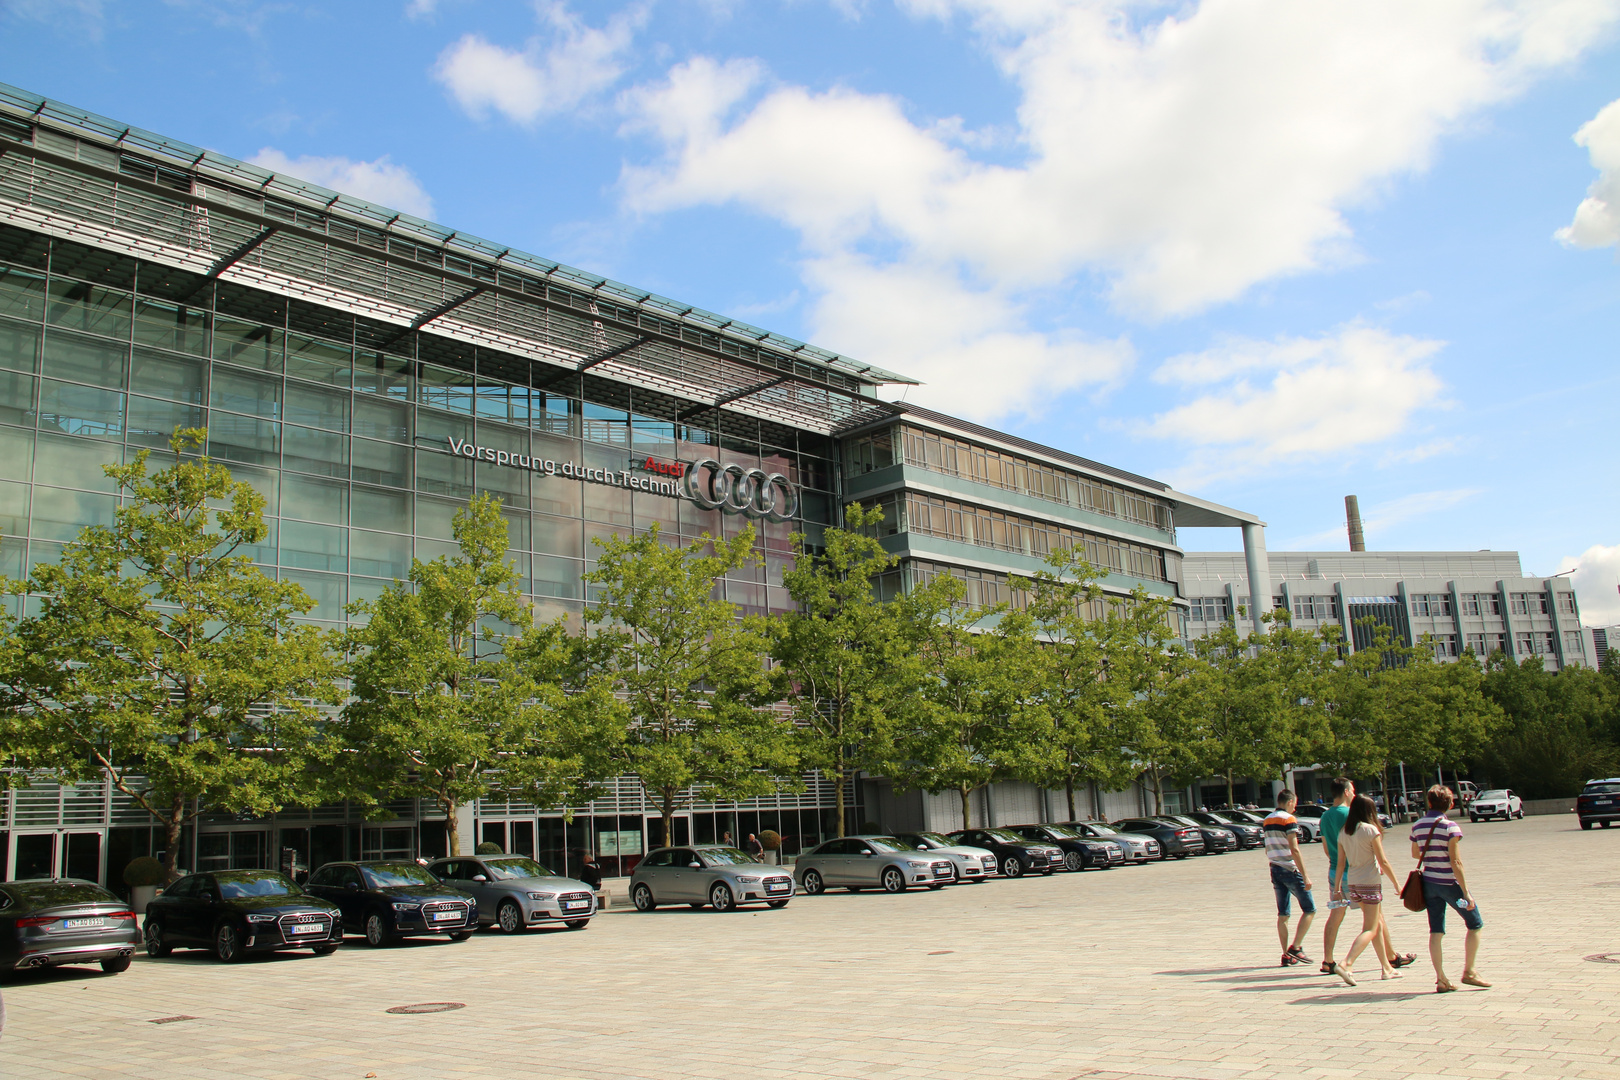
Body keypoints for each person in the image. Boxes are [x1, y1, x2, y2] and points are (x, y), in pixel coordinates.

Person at [1411, 785, 1488, 993]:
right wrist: (1466, 893)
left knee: (1436, 930)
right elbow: (1456, 861)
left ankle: (1441, 979)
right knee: (1475, 922)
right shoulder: (1450, 827)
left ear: (1428, 803)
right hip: (1450, 887)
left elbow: (1415, 853)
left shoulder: (1417, 825)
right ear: (1451, 804)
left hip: (1429, 885)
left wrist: (1432, 853)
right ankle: (1469, 971)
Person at [1331, 795, 1402, 985]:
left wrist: (1337, 888)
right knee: (1370, 928)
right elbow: (1383, 860)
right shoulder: (1371, 830)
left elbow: (1340, 864)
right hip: (1370, 882)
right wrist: (1397, 884)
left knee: (1375, 922)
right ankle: (1347, 963)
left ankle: (1386, 968)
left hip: (1352, 883)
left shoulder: (1343, 832)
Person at [1263, 789, 1315, 967]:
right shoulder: (1289, 820)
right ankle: (1296, 947)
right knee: (1310, 909)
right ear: (1290, 802)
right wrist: (1305, 875)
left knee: (1283, 913)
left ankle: (1286, 954)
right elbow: (1294, 848)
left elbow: (1267, 846)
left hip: (1274, 867)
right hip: (1289, 868)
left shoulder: (1268, 819)